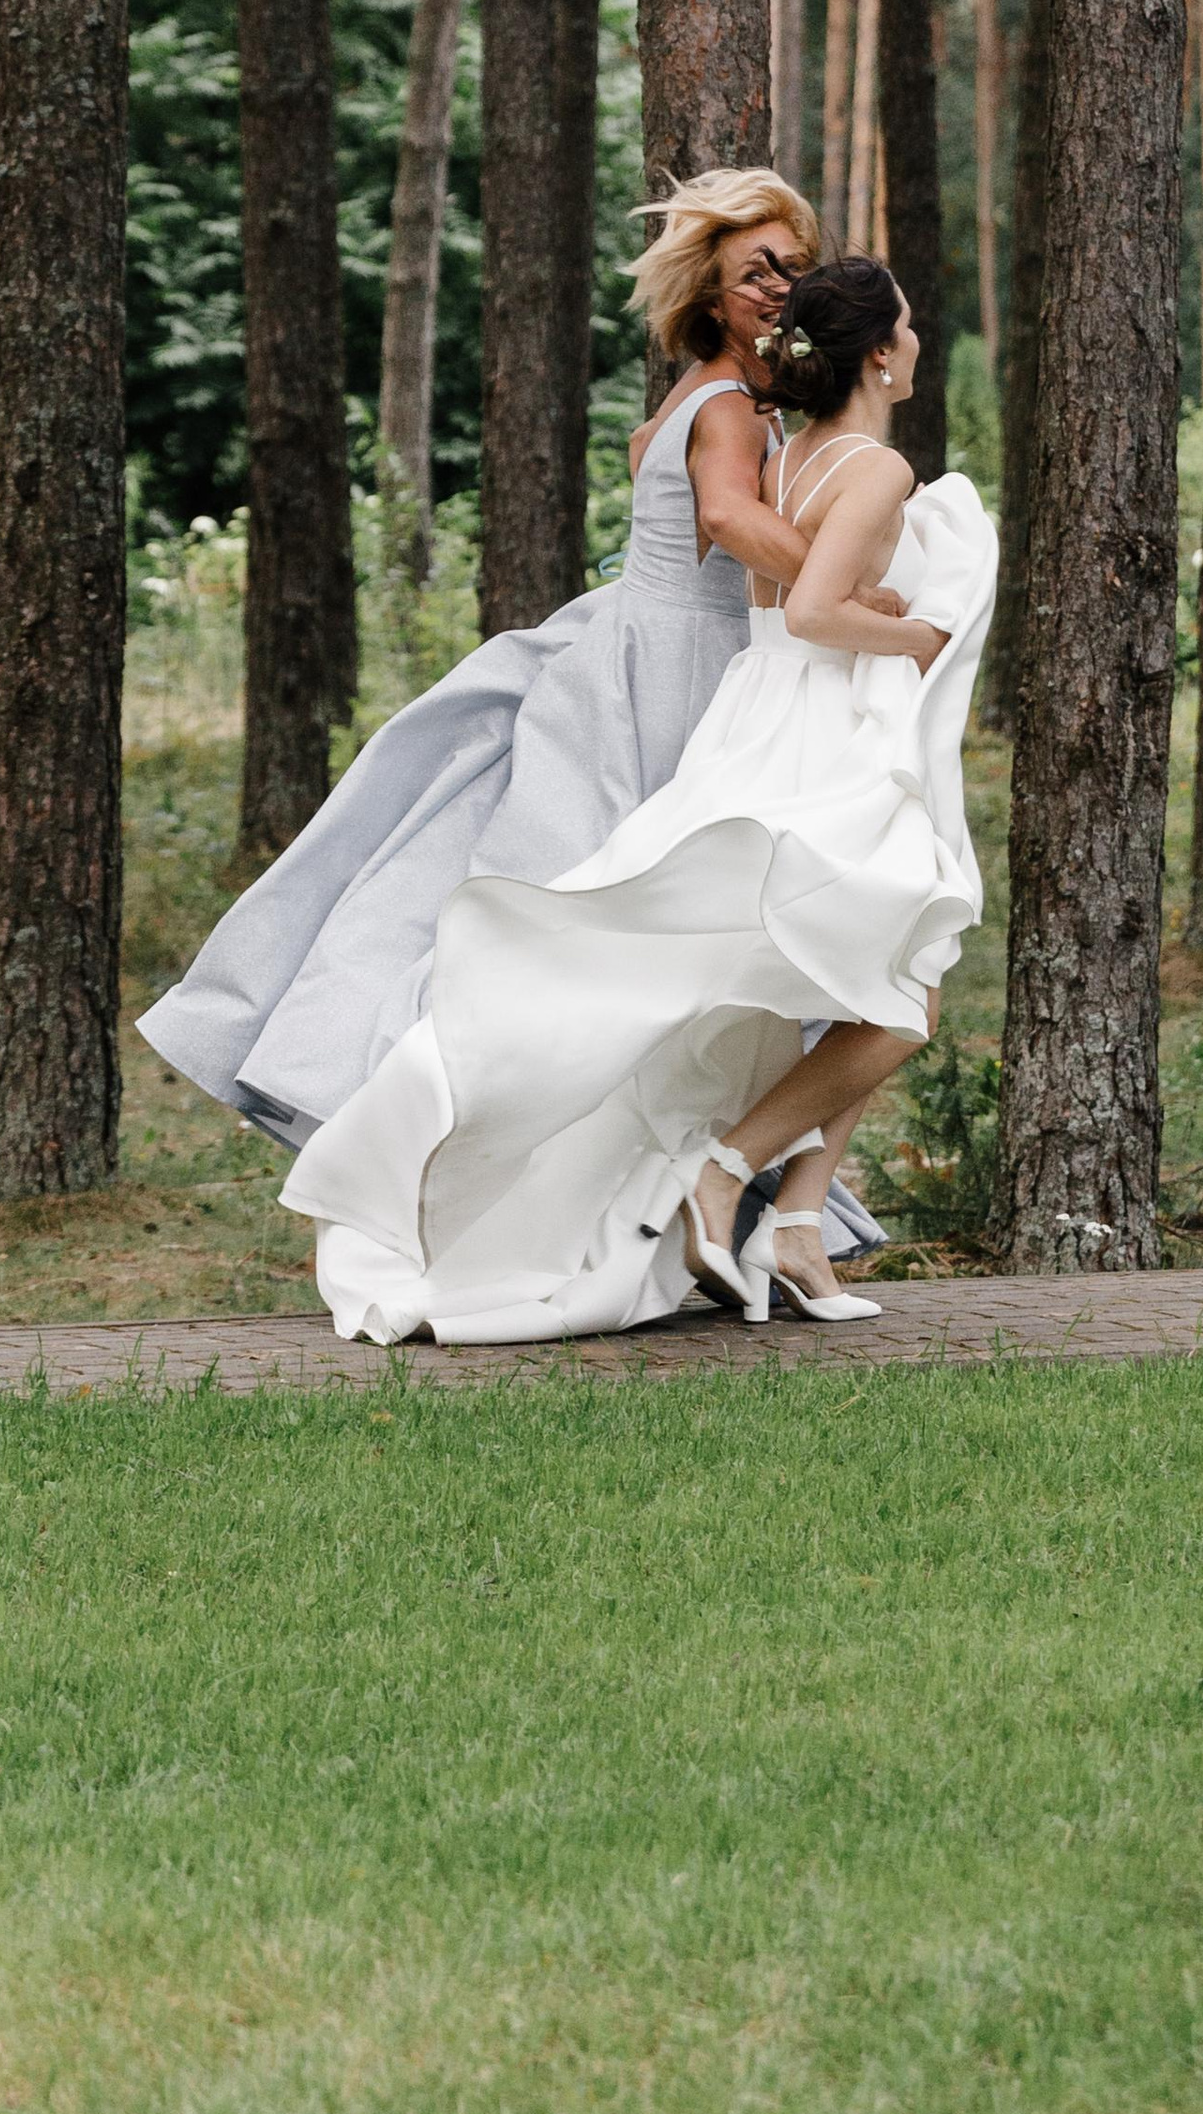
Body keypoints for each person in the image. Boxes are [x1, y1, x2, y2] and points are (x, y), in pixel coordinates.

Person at [283, 257, 996, 1342]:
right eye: (908, 327)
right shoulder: (877, 472)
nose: (915, 344)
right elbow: (811, 611)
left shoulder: (793, 451)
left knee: (842, 977)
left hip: (756, 712)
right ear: (882, 354)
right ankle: (725, 1178)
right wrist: (918, 637)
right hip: (821, 727)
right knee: (901, 996)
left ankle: (793, 1225)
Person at [138, 170, 890, 1190]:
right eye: (753, 270)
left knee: (592, 924)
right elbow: (724, 519)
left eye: (793, 269)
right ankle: (505, 1150)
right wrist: (844, 584)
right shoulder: (725, 408)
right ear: (710, 295)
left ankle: (605, 1181)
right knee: (621, 920)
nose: (776, 287)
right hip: (667, 677)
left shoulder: (719, 399)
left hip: (641, 646)